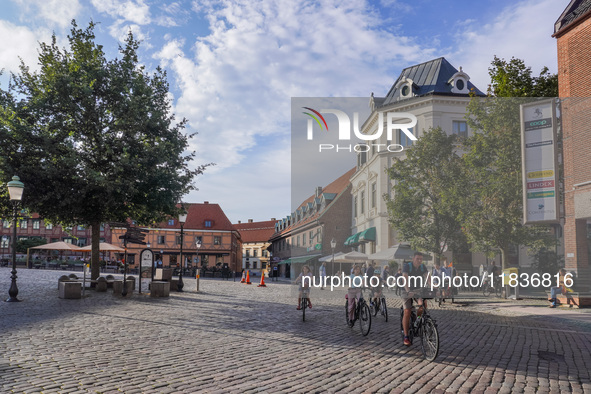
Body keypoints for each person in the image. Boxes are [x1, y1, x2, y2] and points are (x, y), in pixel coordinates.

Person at [402, 252, 429, 346]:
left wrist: (435, 287)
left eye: (421, 259)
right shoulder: (407, 266)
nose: (419, 261)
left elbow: (428, 277)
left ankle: (418, 319)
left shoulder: (422, 267)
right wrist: (408, 290)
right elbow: (405, 278)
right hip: (406, 290)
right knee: (407, 311)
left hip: (417, 290)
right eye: (417, 258)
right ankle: (406, 336)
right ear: (413, 258)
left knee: (423, 305)